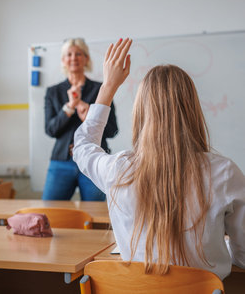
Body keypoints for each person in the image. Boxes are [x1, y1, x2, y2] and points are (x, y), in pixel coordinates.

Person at [73, 38, 245, 279]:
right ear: (192, 110)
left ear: (141, 113)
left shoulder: (118, 169)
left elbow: (82, 147)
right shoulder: (224, 173)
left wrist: (108, 86)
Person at [43, 38, 118, 201]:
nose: (73, 58)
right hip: (61, 163)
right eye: (69, 54)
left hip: (94, 162)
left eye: (78, 54)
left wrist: (91, 117)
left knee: (96, 214)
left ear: (86, 58)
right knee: (51, 212)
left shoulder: (101, 89)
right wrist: (69, 107)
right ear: (63, 60)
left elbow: (113, 130)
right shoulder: (53, 92)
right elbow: (50, 130)